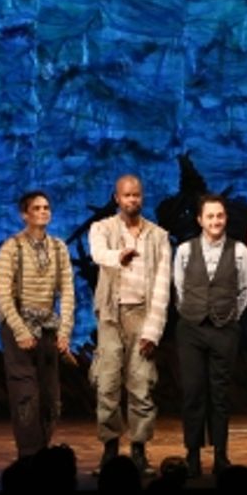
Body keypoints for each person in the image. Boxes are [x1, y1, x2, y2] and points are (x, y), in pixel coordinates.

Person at [90, 174, 173, 475]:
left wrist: (153, 330)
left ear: (142, 196)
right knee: (107, 383)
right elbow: (98, 253)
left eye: (136, 195)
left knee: (141, 384)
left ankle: (138, 448)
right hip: (111, 316)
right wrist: (119, 256)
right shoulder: (102, 228)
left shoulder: (158, 236)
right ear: (117, 198)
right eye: (126, 195)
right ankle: (110, 448)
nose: (132, 200)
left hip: (142, 315)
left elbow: (163, 284)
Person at [173, 193, 247, 478]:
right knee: (193, 392)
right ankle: (193, 454)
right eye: (210, 216)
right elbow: (179, 289)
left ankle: (220, 454)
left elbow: (244, 290)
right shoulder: (185, 250)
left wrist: (229, 317)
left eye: (219, 216)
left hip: (224, 329)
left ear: (225, 218)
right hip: (191, 329)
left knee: (220, 394)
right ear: (200, 220)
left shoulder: (239, 251)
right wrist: (193, 311)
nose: (215, 221)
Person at [0, 190, 76, 460]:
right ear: (24, 214)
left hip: (47, 326)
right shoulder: (12, 247)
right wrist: (20, 330)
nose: (43, 212)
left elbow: (67, 291)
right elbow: (3, 294)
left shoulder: (58, 248)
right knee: (26, 393)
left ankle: (42, 450)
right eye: (37, 208)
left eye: (46, 207)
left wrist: (64, 331)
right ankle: (29, 455)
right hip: (18, 324)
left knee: (50, 396)